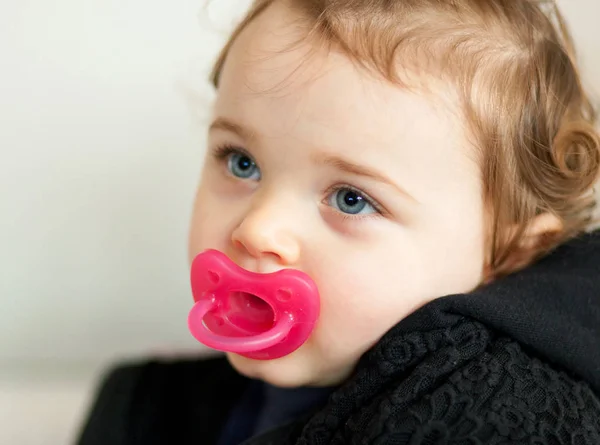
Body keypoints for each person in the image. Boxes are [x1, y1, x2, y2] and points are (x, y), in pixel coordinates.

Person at [76, 1, 600, 444]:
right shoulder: (154, 408)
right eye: (242, 162)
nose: (257, 229)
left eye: (351, 199)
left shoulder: (496, 412)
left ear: (507, 253)